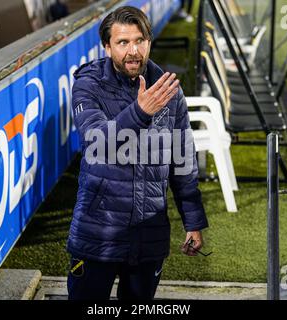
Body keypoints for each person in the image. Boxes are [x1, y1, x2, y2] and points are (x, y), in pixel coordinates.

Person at [66, 6, 209, 300]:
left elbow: (182, 161)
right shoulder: (88, 84)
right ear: (107, 46)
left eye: (140, 41)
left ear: (149, 42)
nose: (133, 51)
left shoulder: (168, 89)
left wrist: (193, 221)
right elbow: (96, 142)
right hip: (98, 234)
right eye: (123, 42)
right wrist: (141, 112)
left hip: (149, 235)